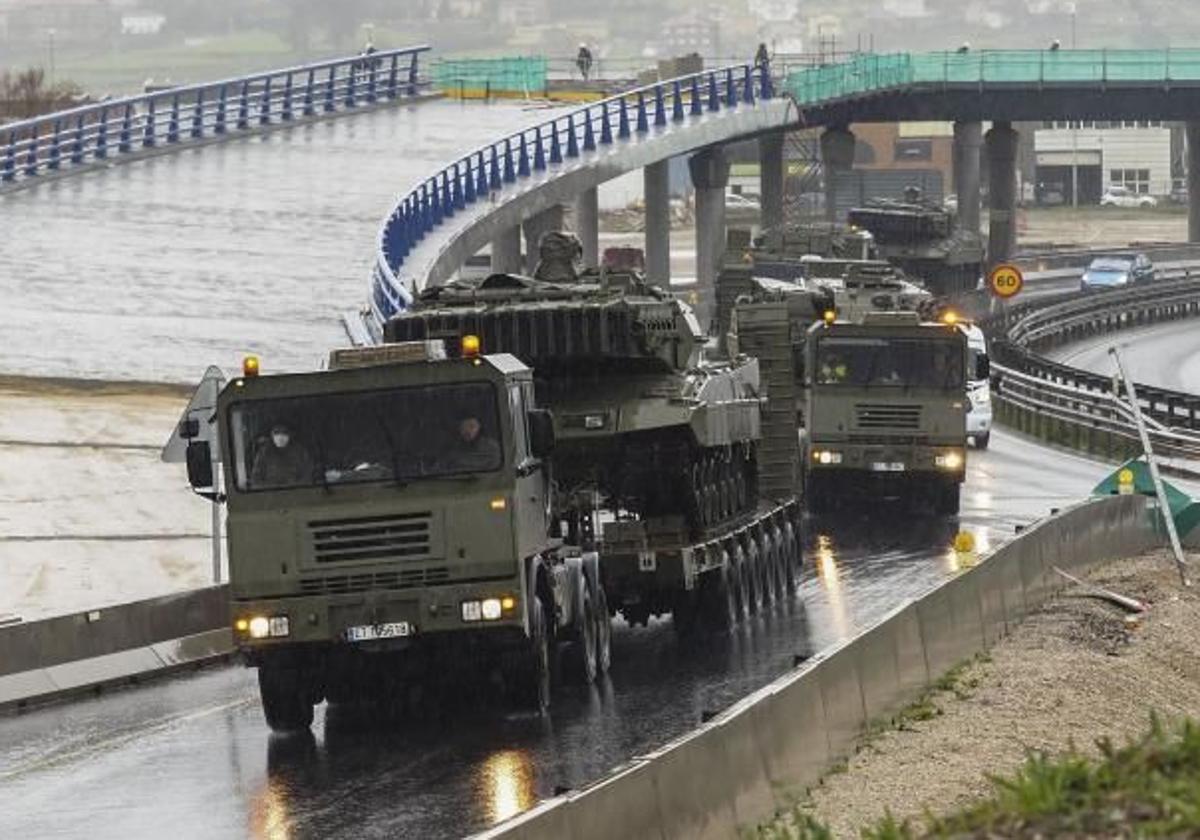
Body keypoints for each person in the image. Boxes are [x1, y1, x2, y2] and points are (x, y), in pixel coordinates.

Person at [251, 424, 315, 487]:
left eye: (284, 432)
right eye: (277, 432)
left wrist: (295, 487)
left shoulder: (300, 452)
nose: (280, 436)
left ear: (290, 434)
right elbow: (256, 479)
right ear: (271, 434)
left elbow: (307, 477)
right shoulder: (263, 453)